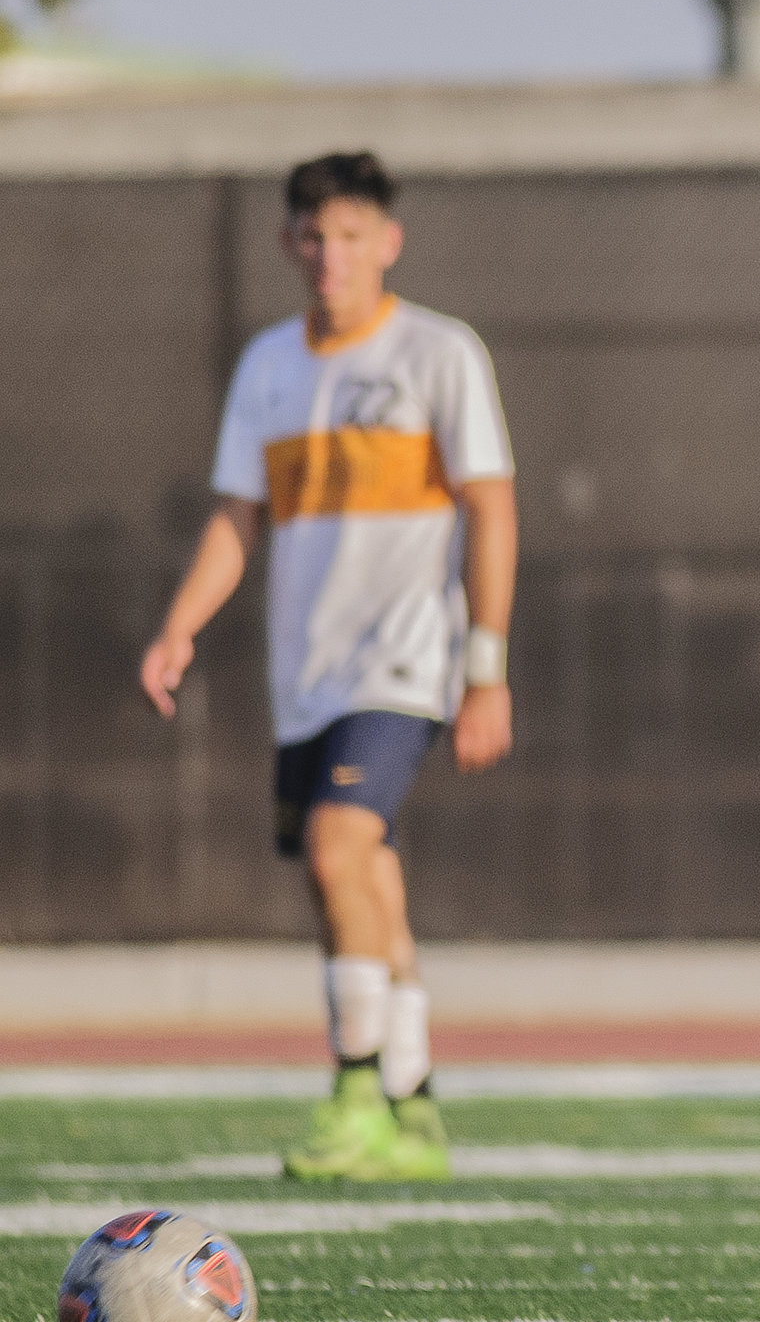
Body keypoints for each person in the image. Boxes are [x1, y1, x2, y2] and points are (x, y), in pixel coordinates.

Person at [139, 151, 517, 1183]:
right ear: (287, 245)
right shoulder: (269, 364)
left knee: (337, 847)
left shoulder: (439, 353)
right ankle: (415, 1104)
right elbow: (235, 517)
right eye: (313, 237)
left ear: (387, 242)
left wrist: (486, 665)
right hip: (306, 673)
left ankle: (355, 1089)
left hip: (406, 659)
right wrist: (180, 624)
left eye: (351, 235)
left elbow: (490, 506)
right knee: (363, 876)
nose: (330, 255)